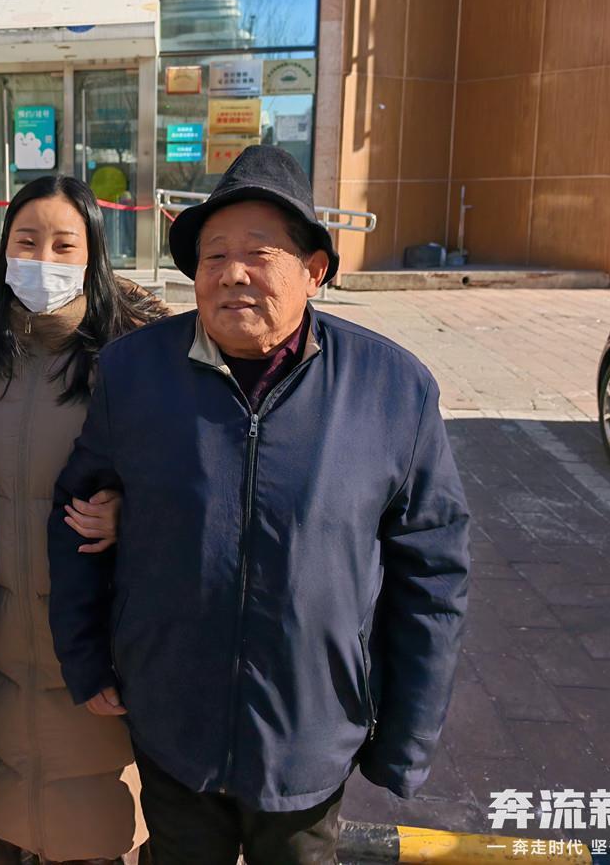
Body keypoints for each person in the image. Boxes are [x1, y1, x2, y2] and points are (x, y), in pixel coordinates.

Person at [46, 145, 471, 865]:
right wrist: (87, 660)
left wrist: (405, 735)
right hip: (172, 718)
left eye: (258, 252)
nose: (232, 273)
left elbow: (432, 572)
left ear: (314, 270)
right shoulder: (133, 372)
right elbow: (77, 515)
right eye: (213, 255)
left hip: (311, 732)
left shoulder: (392, 389)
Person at [0, 176, 167, 865]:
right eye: (26, 242)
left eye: (64, 245)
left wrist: (130, 510)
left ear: (93, 254)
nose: (43, 260)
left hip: (89, 625)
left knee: (87, 800)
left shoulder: (135, 352)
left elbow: (186, 474)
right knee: (5, 788)